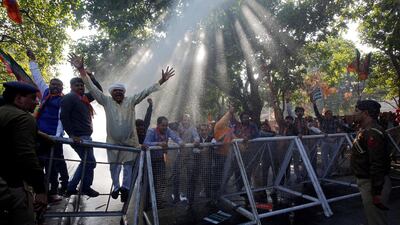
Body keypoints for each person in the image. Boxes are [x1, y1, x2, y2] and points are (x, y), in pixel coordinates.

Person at [68, 53, 175, 202]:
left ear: (124, 93)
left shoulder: (130, 101)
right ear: (112, 94)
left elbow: (145, 92)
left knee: (129, 165)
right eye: (115, 92)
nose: (118, 93)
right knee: (114, 166)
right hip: (112, 140)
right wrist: (81, 71)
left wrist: (161, 81)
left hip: (130, 140)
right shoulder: (106, 101)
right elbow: (92, 89)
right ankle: (116, 187)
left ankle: (125, 188)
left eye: (121, 91)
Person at [0, 81, 47, 225]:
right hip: (11, 184)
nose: (37, 102)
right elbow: (27, 156)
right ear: (19, 99)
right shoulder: (24, 118)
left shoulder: (4, 112)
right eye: (33, 98)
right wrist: (40, 190)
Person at [27, 50, 69, 199]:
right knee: (38, 162)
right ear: (49, 85)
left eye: (58, 85)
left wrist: (57, 137)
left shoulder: (63, 100)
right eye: (53, 84)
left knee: (53, 164)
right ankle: (38, 190)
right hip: (38, 134)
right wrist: (33, 61)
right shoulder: (45, 93)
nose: (55, 87)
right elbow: (37, 78)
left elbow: (62, 120)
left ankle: (54, 190)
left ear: (62, 88)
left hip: (53, 137)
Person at [60, 68, 103, 197]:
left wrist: (91, 77)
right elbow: (64, 117)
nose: (80, 87)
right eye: (77, 85)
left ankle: (72, 187)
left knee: (86, 161)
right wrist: (72, 135)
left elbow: (98, 91)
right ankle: (84, 187)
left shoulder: (83, 98)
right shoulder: (69, 98)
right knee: (90, 162)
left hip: (86, 137)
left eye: (82, 85)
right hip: (79, 137)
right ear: (71, 87)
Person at [351, 100, 391, 225]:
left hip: (372, 184)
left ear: (366, 113)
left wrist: (376, 192)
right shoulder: (366, 130)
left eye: (357, 111)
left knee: (377, 221)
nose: (354, 113)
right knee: (373, 219)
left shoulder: (373, 132)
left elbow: (377, 164)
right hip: (369, 183)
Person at [144, 116, 184, 208]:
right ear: (158, 125)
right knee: (150, 181)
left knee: (162, 180)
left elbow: (175, 137)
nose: (165, 127)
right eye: (163, 125)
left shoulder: (168, 130)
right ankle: (147, 203)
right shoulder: (151, 131)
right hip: (150, 160)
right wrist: (158, 143)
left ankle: (159, 200)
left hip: (161, 159)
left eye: (166, 125)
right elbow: (146, 143)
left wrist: (181, 142)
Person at [172, 114, 200, 204]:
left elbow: (196, 137)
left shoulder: (192, 128)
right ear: (182, 120)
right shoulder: (178, 126)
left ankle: (190, 197)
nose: (186, 121)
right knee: (175, 173)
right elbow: (170, 131)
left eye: (187, 120)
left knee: (190, 175)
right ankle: (176, 196)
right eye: (184, 120)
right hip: (180, 154)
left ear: (189, 121)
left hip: (189, 155)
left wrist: (196, 141)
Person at [311, 97, 341, 176]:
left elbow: (339, 130)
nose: (328, 115)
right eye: (327, 114)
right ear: (325, 115)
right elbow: (317, 113)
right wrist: (314, 104)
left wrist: (335, 138)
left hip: (333, 141)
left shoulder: (335, 121)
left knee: (334, 157)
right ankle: (327, 171)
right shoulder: (322, 120)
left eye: (330, 114)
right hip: (325, 141)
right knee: (324, 158)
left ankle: (335, 171)